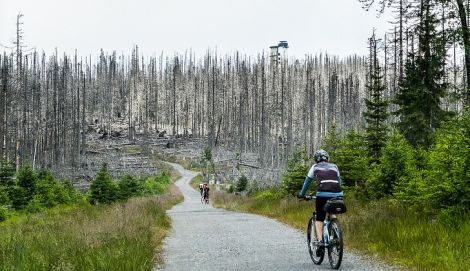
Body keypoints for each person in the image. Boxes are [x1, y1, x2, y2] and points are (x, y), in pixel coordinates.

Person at [297, 149, 343, 257]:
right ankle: (334, 235)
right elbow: (339, 181)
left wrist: (302, 194)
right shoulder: (335, 166)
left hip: (322, 195)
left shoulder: (314, 167)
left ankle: (321, 242)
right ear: (327, 158)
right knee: (332, 212)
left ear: (316, 159)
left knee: (319, 217)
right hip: (337, 194)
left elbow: (307, 182)